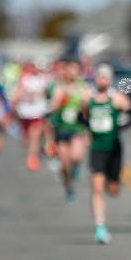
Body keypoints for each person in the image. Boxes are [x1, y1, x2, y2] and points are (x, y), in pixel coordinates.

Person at [85, 64, 131, 244]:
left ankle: (113, 179)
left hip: (114, 148)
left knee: (113, 189)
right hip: (97, 148)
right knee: (96, 188)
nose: (102, 80)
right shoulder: (88, 97)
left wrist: (121, 123)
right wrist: (87, 131)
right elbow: (83, 116)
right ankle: (100, 226)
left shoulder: (116, 98)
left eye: (105, 77)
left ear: (110, 79)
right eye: (99, 76)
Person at [50, 59, 91, 204]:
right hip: (62, 129)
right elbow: (52, 107)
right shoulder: (59, 87)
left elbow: (88, 109)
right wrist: (61, 100)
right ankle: (68, 187)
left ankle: (76, 167)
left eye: (75, 70)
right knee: (64, 164)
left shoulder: (83, 88)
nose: (72, 73)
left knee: (76, 156)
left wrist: (83, 104)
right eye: (69, 70)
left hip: (77, 128)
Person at [13, 62, 50, 171]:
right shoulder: (24, 79)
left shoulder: (43, 79)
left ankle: (32, 158)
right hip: (25, 113)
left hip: (37, 113)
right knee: (26, 139)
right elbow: (18, 95)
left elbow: (45, 93)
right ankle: (32, 152)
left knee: (35, 135)